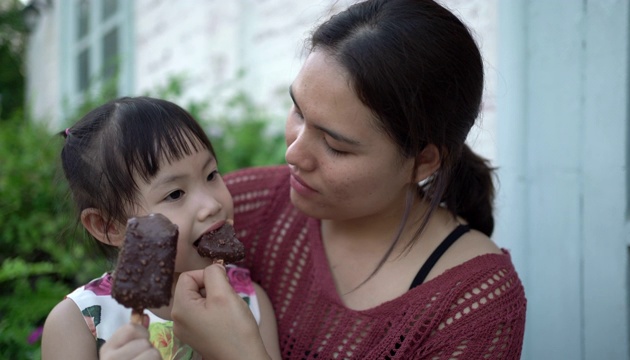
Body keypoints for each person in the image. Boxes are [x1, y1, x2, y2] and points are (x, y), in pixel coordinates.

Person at [104, 0, 528, 358]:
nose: (293, 153)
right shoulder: (241, 207)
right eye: (299, 113)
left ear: (424, 161)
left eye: (336, 146)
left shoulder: (472, 305)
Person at [40, 96, 281, 360]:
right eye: (175, 194)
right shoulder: (77, 323)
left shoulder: (248, 303)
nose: (211, 204)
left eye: (211, 175)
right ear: (108, 226)